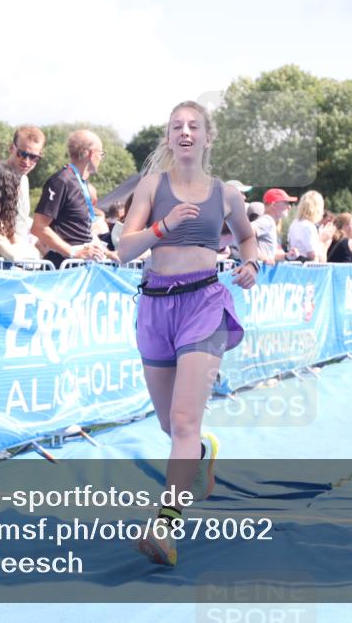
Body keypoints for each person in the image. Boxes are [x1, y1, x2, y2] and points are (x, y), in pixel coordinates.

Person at [116, 101, 258, 567]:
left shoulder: (227, 194)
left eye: (194, 126)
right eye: (177, 126)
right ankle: (200, 452)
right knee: (170, 426)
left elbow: (247, 237)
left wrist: (252, 263)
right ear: (168, 137)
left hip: (204, 304)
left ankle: (165, 526)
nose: (185, 132)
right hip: (155, 306)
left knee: (181, 421)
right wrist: (163, 226)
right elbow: (124, 250)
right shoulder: (151, 186)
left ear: (207, 137)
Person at [31, 130, 107, 267]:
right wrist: (72, 252)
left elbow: (80, 231)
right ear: (91, 154)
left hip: (78, 267)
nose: (101, 158)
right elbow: (38, 227)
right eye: (101, 154)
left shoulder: (80, 183)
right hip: (63, 269)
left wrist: (110, 254)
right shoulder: (61, 181)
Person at [285, 190, 331, 262]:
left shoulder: (294, 223)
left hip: (295, 263)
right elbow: (312, 254)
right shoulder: (309, 226)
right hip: (306, 265)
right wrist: (322, 241)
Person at [254, 188, 297, 263]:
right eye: (286, 203)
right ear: (273, 205)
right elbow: (243, 234)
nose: (289, 207)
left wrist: (287, 256)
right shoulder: (267, 221)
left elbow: (271, 254)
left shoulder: (270, 222)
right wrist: (262, 257)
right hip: (258, 270)